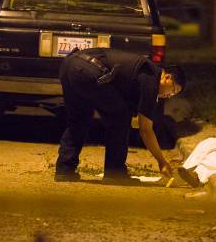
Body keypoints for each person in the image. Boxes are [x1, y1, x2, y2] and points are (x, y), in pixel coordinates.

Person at [54, 47, 186, 184]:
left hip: (69, 64)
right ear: (167, 77)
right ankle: (115, 172)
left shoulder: (146, 73)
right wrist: (162, 161)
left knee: (79, 118)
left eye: (173, 95)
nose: (169, 95)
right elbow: (146, 130)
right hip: (89, 71)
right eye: (173, 90)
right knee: (120, 117)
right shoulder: (152, 79)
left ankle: (65, 169)